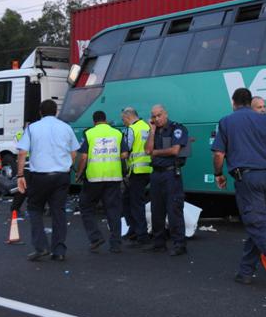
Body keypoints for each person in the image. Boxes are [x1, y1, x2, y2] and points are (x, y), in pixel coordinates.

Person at [212, 88, 266, 287]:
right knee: (258, 222)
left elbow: (219, 154)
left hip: (247, 179)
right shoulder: (264, 119)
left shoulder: (227, 121)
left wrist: (218, 174)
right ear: (249, 102)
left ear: (234, 102)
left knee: (258, 224)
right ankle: (245, 271)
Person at [16, 99, 80, 261]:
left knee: (35, 208)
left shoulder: (32, 128)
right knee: (58, 212)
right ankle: (59, 250)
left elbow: (22, 152)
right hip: (61, 175)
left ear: (40, 112)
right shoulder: (66, 127)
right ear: (56, 112)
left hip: (40, 176)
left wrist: (20, 175)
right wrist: (67, 165)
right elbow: (74, 152)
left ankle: (41, 246)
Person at [77, 111, 124, 254]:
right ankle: (116, 244)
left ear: (94, 121)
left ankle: (95, 237)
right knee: (113, 210)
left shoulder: (89, 133)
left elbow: (84, 157)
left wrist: (79, 173)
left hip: (94, 178)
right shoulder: (117, 133)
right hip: (114, 177)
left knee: (86, 206)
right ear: (106, 120)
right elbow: (124, 154)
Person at [144, 104, 189, 256]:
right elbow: (147, 150)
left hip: (171, 174)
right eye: (154, 116)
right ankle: (159, 243)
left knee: (174, 209)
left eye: (159, 115)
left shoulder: (176, 128)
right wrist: (152, 131)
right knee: (156, 210)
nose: (156, 119)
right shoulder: (154, 131)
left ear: (166, 114)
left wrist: (155, 152)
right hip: (156, 174)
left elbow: (175, 150)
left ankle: (179, 244)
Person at [120, 107, 153, 246]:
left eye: (123, 119)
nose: (123, 122)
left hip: (137, 171)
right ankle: (133, 230)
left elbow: (126, 150)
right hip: (149, 168)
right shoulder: (147, 126)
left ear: (128, 117)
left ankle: (141, 235)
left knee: (136, 204)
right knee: (127, 199)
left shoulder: (131, 129)